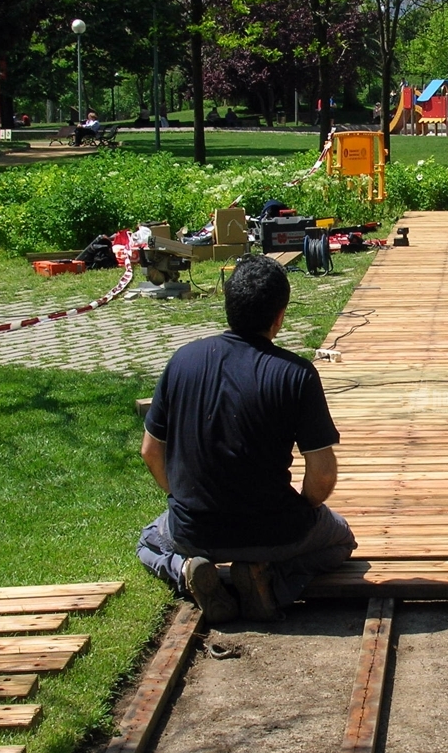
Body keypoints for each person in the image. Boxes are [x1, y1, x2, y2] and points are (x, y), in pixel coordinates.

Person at [135, 254, 357, 623]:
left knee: (148, 542)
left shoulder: (182, 361)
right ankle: (269, 579)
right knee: (342, 540)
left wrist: (180, 499)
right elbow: (321, 475)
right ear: (280, 316)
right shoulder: (296, 374)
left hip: (195, 531)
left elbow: (150, 451)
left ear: (228, 305)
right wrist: (305, 509)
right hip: (276, 531)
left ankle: (187, 573)